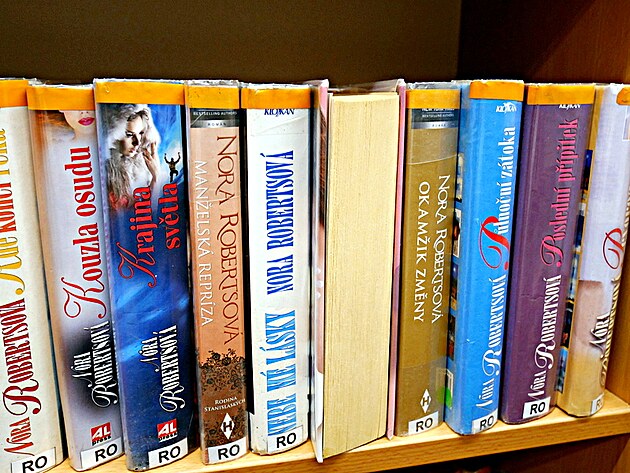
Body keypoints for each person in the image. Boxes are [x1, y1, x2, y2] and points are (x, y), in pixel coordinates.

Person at [103, 104, 162, 210]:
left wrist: (156, 176)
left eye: (141, 133)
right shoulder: (105, 171)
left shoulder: (141, 168)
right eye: (129, 135)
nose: (137, 142)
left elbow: (151, 212)